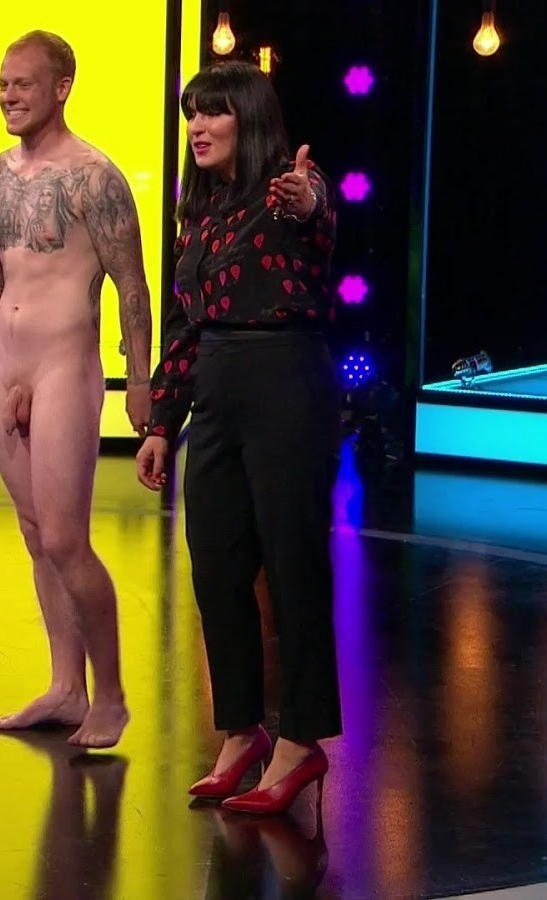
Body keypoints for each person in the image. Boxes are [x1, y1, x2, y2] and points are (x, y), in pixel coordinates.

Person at [135, 60, 340, 814]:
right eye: (192, 113)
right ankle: (241, 731)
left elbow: (318, 218)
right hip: (217, 390)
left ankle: (301, 742)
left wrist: (309, 202)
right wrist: (163, 423)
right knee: (216, 567)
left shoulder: (290, 191)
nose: (197, 126)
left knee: (292, 568)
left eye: (213, 112)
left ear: (248, 121)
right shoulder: (202, 210)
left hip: (286, 382)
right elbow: (185, 324)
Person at [0, 31, 153, 749]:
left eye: (23, 84)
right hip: (8, 362)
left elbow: (131, 285)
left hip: (64, 367)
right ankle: (66, 687)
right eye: (2, 83)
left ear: (62, 87)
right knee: (35, 533)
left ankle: (112, 697)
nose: (9, 96)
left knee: (68, 537)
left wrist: (141, 380)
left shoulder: (95, 178)